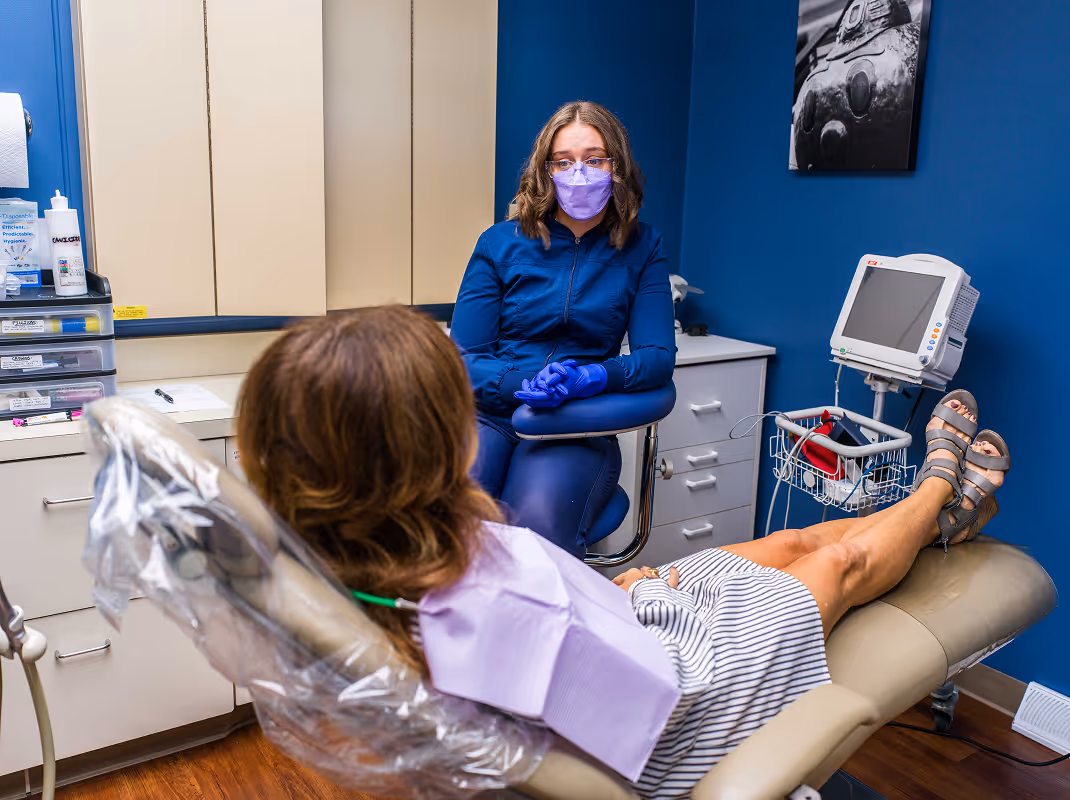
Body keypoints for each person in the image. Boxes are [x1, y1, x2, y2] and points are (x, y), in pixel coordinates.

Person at [236, 307, 1010, 800]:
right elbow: (654, 696)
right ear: (428, 446)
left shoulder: (364, 562)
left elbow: (559, 639)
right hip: (681, 700)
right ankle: (942, 489)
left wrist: (624, 590)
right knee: (833, 565)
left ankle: (925, 518)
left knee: (786, 538)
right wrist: (642, 601)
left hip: (624, 631)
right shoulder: (495, 603)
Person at [450, 100, 675, 557]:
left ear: (617, 166)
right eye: (564, 161)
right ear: (545, 169)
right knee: (445, 517)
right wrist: (524, 382)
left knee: (530, 534)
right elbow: (463, 359)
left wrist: (593, 378)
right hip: (489, 415)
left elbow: (656, 359)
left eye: (594, 159)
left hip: (575, 425)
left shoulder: (643, 246)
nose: (579, 173)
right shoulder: (499, 243)